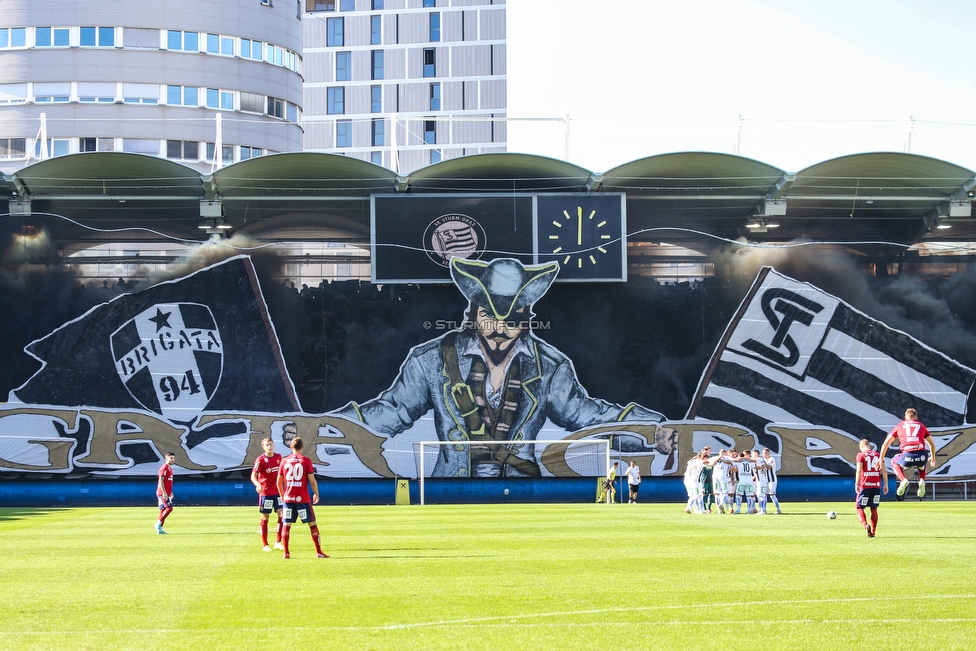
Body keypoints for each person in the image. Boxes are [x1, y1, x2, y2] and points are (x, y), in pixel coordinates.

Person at [333, 257, 670, 478]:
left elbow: (589, 416)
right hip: (448, 489)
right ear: (473, 315)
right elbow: (390, 411)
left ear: (526, 320)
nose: (498, 329)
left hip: (525, 490)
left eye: (511, 320)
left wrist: (651, 432)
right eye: (489, 316)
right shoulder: (431, 360)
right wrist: (326, 430)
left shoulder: (551, 368)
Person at [276, 436, 328, 560]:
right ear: (302, 447)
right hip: (302, 499)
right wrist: (316, 494)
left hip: (288, 498)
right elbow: (312, 481)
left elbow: (278, 482)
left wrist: (283, 496)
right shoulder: (306, 461)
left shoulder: (284, 461)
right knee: (312, 524)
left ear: (291, 447)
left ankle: (286, 553)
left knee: (286, 524)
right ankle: (319, 552)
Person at [878, 408, 937, 500]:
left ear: (905, 417)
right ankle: (922, 480)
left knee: (894, 460)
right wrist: (933, 458)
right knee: (922, 461)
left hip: (907, 456)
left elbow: (885, 444)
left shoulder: (900, 426)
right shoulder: (921, 426)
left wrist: (880, 459)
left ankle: (903, 480)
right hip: (921, 456)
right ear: (916, 417)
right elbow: (932, 445)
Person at [251, 437, 284, 552]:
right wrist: (257, 484)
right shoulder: (260, 460)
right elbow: (253, 475)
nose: (269, 446)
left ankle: (278, 542)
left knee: (282, 515)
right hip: (266, 493)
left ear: (273, 445)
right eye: (267, 445)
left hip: (278, 492)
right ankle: (265, 544)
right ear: (263, 447)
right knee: (265, 517)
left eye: (270, 444)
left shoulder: (278, 457)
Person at [855, 438, 888, 537]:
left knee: (859, 507)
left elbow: (859, 470)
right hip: (876, 485)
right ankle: (873, 532)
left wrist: (856, 483)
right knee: (874, 508)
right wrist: (886, 484)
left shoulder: (860, 455)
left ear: (861, 447)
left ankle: (865, 526)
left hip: (865, 485)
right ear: (869, 445)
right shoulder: (878, 455)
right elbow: (884, 471)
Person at [155, 452, 175, 534]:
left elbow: (168, 482)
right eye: (171, 458)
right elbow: (161, 480)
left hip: (167, 492)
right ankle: (158, 524)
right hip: (162, 493)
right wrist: (164, 493)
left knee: (162, 510)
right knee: (169, 508)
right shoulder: (164, 468)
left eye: (173, 458)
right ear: (166, 459)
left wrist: (171, 492)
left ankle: (160, 529)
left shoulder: (170, 468)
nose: (173, 460)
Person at [761, 448, 783, 514]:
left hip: (772, 480)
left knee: (772, 495)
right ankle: (764, 510)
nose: (763, 455)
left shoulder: (771, 459)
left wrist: (763, 462)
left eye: (764, 453)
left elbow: (769, 467)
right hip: (765, 480)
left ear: (767, 453)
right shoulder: (763, 460)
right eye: (762, 453)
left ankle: (778, 509)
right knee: (764, 495)